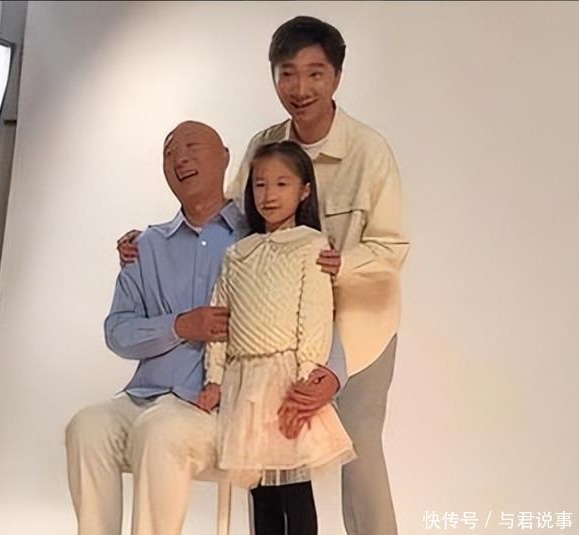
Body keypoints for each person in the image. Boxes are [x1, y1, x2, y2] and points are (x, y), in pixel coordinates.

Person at [117, 16, 410, 535]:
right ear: (274, 77)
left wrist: (341, 264)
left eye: (315, 73)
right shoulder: (265, 144)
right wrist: (155, 240)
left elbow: (392, 248)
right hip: (275, 333)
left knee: (360, 448)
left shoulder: (369, 151)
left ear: (337, 77)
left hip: (357, 328)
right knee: (267, 453)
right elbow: (232, 220)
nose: (301, 88)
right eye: (287, 74)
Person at [65, 120, 347, 535]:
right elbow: (118, 332)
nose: (180, 158)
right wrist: (179, 326)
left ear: (226, 158)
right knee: (86, 427)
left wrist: (331, 375)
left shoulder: (263, 237)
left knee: (160, 433)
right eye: (169, 151)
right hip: (146, 394)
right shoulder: (145, 247)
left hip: (221, 403)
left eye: (193, 146)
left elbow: (317, 314)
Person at [196, 141, 355, 535]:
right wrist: (215, 379)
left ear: (304, 190)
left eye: (282, 184)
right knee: (260, 490)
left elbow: (315, 317)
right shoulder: (238, 254)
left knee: (294, 489)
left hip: (285, 381)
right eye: (260, 184)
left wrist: (305, 378)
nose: (269, 195)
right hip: (244, 383)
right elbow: (221, 320)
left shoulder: (310, 246)